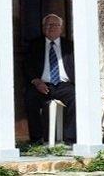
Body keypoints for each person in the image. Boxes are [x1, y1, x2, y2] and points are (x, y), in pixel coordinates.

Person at [24, 13, 76, 144]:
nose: (52, 27)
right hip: (41, 84)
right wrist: (36, 81)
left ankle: (70, 138)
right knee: (30, 98)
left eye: (55, 25)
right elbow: (27, 66)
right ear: (43, 28)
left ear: (61, 28)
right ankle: (37, 139)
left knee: (77, 97)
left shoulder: (70, 46)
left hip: (64, 85)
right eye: (48, 25)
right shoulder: (34, 45)